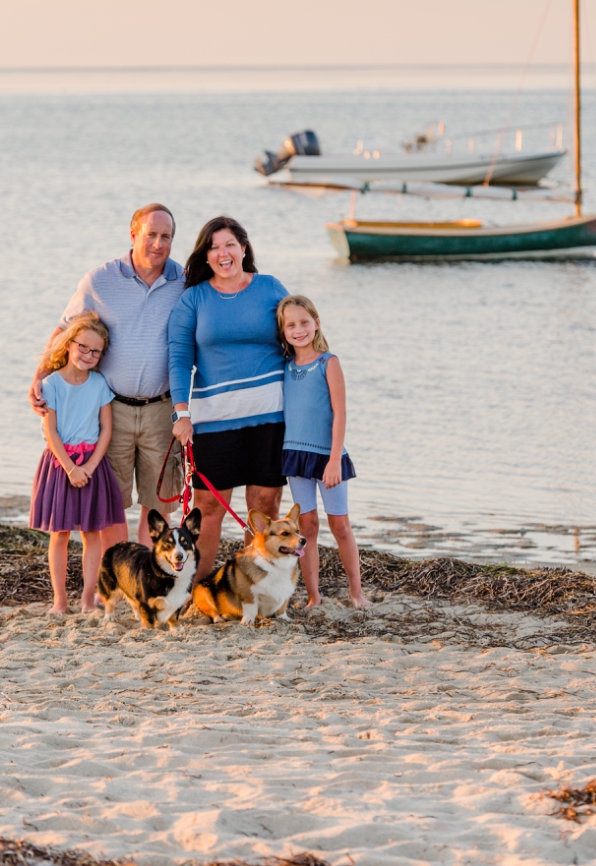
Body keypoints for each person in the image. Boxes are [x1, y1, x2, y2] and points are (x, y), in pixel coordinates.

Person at [29, 205, 184, 549]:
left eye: (166, 237)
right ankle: (119, 574)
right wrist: (40, 376)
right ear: (133, 236)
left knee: (158, 503)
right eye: (151, 235)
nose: (158, 244)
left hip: (163, 408)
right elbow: (65, 328)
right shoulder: (100, 280)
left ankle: (149, 576)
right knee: (111, 504)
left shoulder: (184, 282)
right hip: (112, 408)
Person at [168, 216, 289, 580]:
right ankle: (196, 587)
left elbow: (300, 340)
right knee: (207, 507)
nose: (223, 253)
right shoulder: (194, 299)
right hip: (213, 421)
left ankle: (257, 585)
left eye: (230, 245)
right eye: (214, 246)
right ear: (206, 256)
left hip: (271, 418)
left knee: (264, 506)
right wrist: (181, 414)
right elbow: (178, 358)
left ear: (244, 249)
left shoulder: (270, 288)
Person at [276, 294, 370, 610]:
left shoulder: (328, 363)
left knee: (340, 525)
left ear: (316, 323)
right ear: (283, 331)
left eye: (304, 322)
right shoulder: (285, 367)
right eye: (291, 325)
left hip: (329, 457)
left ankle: (357, 594)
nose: (299, 329)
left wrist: (333, 460)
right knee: (307, 528)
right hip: (295, 455)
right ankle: (314, 596)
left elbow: (340, 413)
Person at [29, 312, 126, 614]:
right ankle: (60, 601)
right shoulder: (51, 384)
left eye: (95, 351)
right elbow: (50, 429)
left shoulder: (99, 384)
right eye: (83, 347)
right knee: (59, 535)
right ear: (69, 344)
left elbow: (106, 428)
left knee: (92, 533)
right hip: (60, 464)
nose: (88, 354)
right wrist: (71, 468)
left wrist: (90, 466)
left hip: (93, 465)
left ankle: (87, 599)